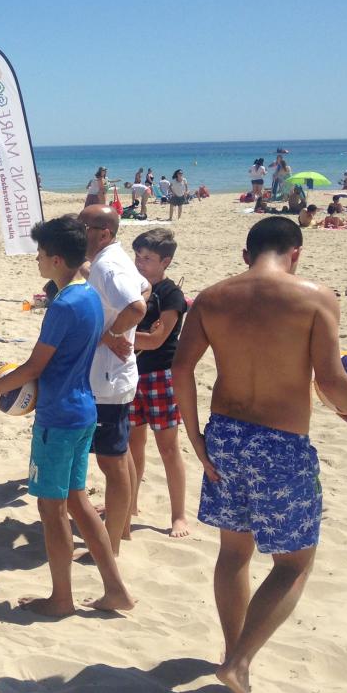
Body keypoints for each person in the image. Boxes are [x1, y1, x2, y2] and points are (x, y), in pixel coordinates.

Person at [171, 217, 347, 693]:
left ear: (246, 255)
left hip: (224, 436)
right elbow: (329, 381)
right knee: (293, 564)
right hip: (280, 446)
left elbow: (182, 369)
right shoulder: (314, 297)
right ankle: (241, 661)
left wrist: (196, 436)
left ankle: (231, 652)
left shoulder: (211, 297)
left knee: (234, 553)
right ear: (297, 253)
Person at [0, 215, 134, 617]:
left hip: (59, 419)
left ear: (58, 259)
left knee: (52, 510)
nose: (38, 261)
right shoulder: (90, 297)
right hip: (83, 410)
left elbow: (33, 368)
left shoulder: (63, 306)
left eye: (42, 255)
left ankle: (61, 599)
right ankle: (116, 590)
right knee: (78, 503)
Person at [79, 205, 148, 556]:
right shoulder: (109, 259)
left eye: (84, 225)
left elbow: (138, 306)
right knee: (118, 458)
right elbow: (145, 286)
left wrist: (111, 332)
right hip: (111, 377)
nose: (79, 230)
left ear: (103, 232)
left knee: (112, 463)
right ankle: (122, 530)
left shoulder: (108, 265)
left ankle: (112, 546)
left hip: (108, 379)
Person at [126, 228, 189, 538]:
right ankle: (131, 503)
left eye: (147, 258)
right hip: (130, 373)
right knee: (132, 444)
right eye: (137, 256)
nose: (140, 263)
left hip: (161, 375)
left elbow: (157, 339)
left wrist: (114, 335)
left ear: (166, 261)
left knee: (168, 448)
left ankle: (179, 515)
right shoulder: (133, 288)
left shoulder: (170, 294)